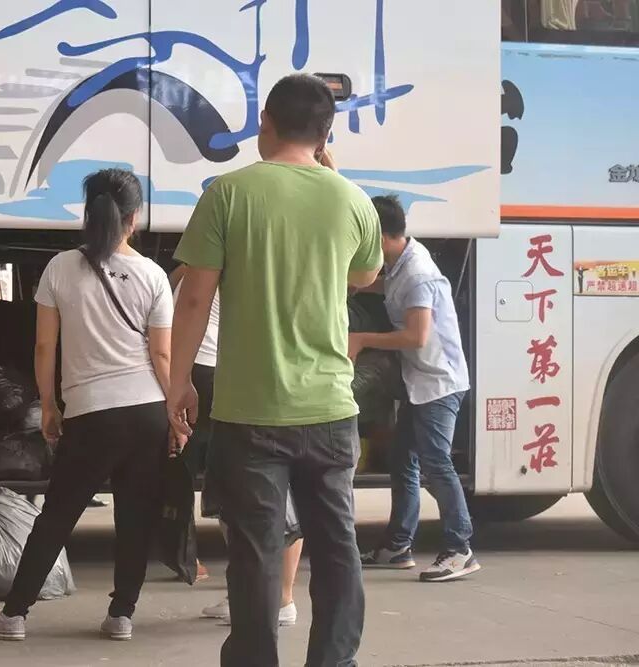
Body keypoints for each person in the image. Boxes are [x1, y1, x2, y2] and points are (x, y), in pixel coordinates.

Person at [168, 73, 382, 667]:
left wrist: (178, 382)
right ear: (326, 132)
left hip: (250, 414)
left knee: (257, 554)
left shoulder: (228, 193)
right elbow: (364, 275)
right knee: (337, 547)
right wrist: (332, 181)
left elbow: (193, 299)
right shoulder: (352, 200)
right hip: (331, 410)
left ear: (265, 122)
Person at [0, 168, 172, 642]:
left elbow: (45, 347)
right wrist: (175, 412)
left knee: (58, 515)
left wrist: (49, 405)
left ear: (88, 213)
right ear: (134, 218)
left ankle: (14, 615)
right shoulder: (153, 274)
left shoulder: (60, 268)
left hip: (91, 412)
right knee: (136, 516)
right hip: (147, 409)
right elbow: (162, 355)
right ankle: (121, 616)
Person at [351, 194, 479, 582]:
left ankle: (460, 549)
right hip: (420, 382)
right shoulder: (400, 261)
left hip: (438, 383)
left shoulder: (418, 273)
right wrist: (357, 287)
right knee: (403, 461)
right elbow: (389, 288)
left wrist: (362, 339)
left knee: (436, 463)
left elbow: (416, 336)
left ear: (379, 236)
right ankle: (397, 546)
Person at [170, 264, 303, 625]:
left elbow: (186, 310)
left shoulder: (221, 266)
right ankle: (262, 594)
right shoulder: (215, 265)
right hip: (235, 376)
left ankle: (269, 597)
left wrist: (177, 381)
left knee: (249, 491)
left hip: (220, 375)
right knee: (250, 491)